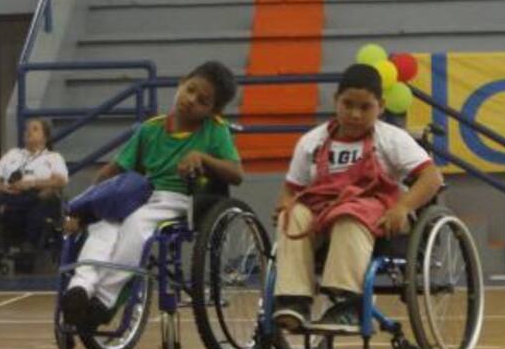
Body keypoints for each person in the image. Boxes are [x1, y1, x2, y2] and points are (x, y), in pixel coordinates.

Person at [61, 60, 242, 328]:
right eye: (190, 89)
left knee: (136, 224)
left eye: (202, 100)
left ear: (212, 110)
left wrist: (203, 158)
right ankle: (81, 287)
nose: (191, 100)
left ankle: (106, 298)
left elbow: (236, 173)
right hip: (143, 196)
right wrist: (85, 206)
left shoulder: (215, 130)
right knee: (105, 225)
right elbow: (113, 171)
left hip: (180, 199)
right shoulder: (150, 129)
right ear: (182, 82)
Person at [272, 63, 444, 333]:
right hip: (321, 212)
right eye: (348, 104)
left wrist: (403, 207)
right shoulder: (311, 141)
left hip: (376, 211)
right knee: (291, 215)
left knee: (348, 214)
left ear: (381, 107)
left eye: (365, 107)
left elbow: (432, 178)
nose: (355, 114)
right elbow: (291, 189)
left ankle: (348, 303)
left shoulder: (391, 138)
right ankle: (294, 300)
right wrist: (285, 202)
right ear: (335, 101)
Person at [0, 118, 68, 251]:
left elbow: (60, 181)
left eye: (35, 129)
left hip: (38, 196)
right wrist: (5, 189)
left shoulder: (53, 157)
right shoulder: (13, 154)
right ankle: (4, 241)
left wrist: (31, 184)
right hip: (12, 195)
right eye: (27, 129)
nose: (29, 132)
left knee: (40, 200)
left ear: (45, 137)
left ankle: (30, 243)